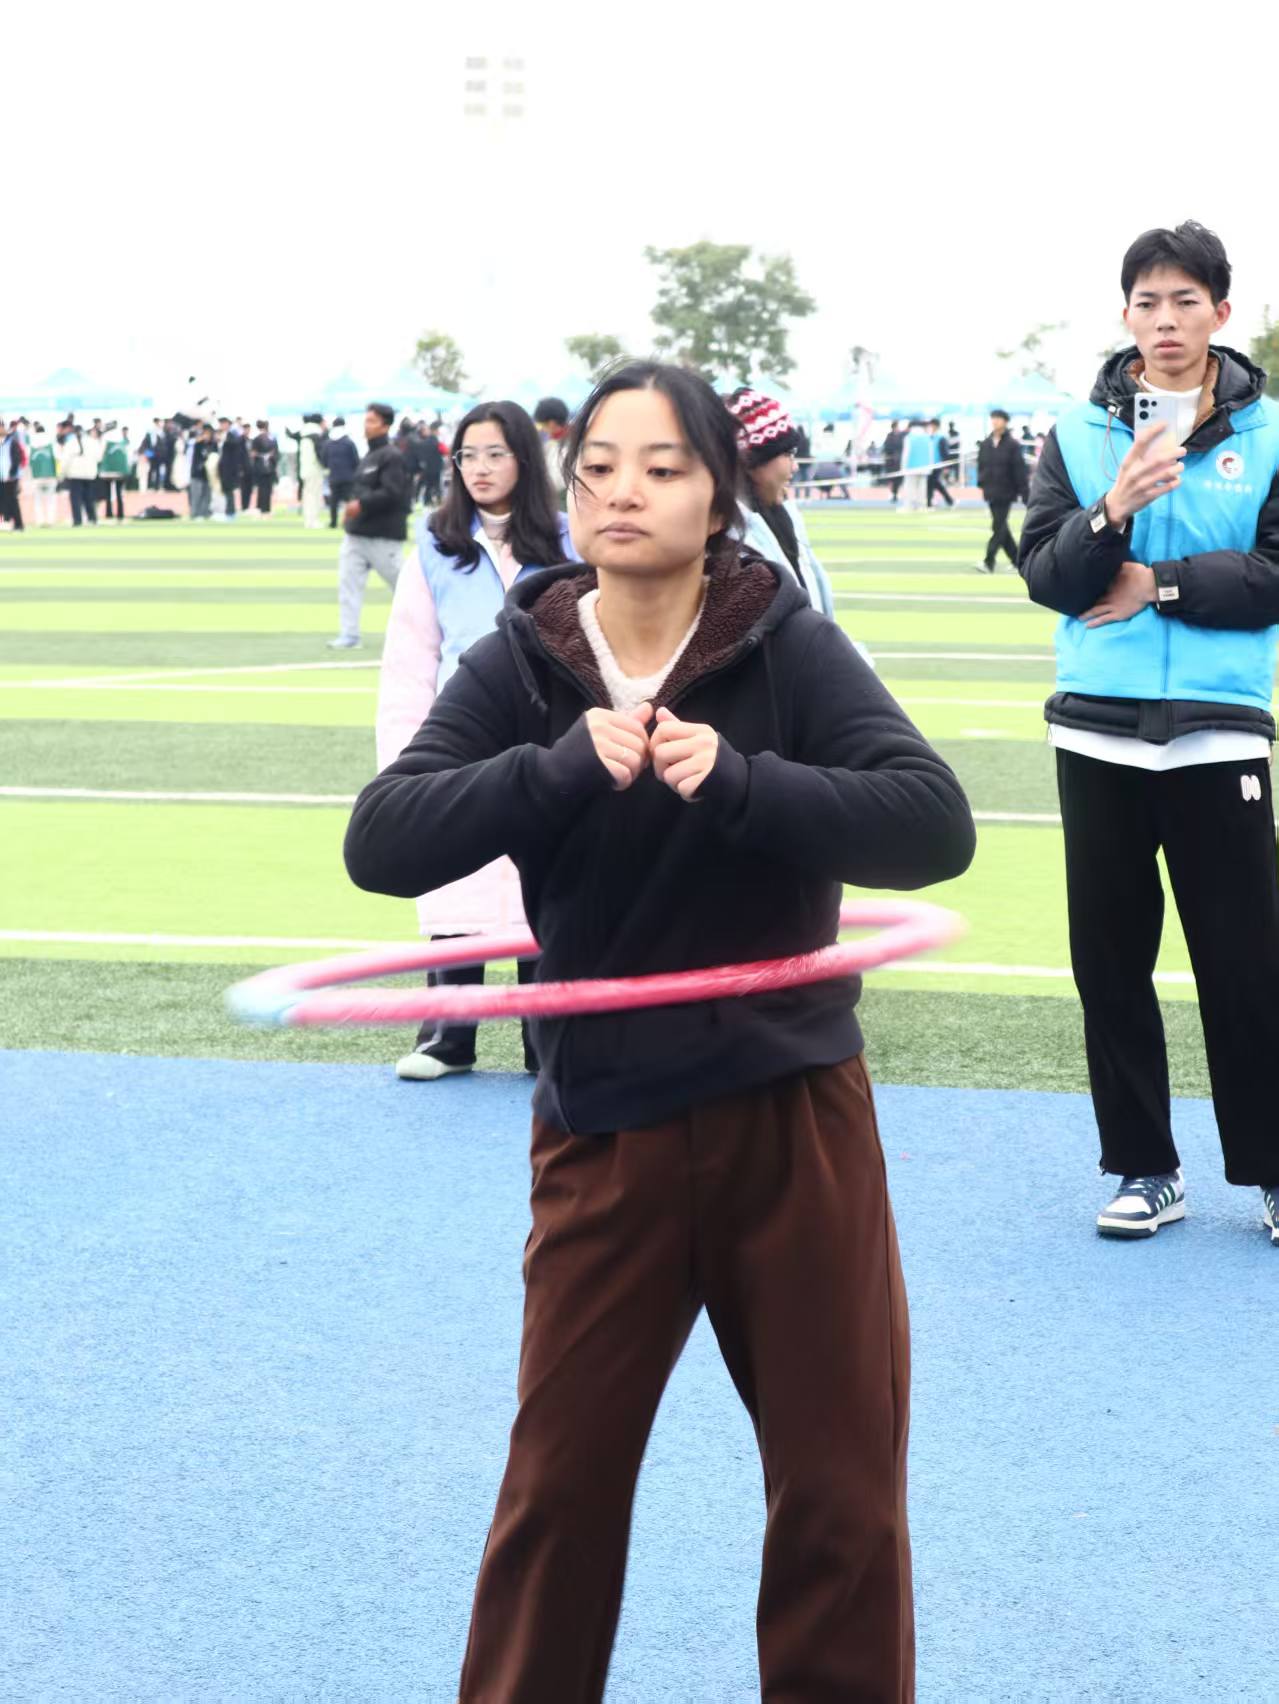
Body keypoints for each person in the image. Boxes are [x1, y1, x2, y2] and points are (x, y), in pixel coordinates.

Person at [344, 360, 976, 1699]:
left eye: (662, 466)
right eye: (599, 468)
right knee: (557, 1492)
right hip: (604, 1127)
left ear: (716, 496)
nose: (623, 490)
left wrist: (741, 783)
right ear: (571, 496)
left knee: (840, 1494)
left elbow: (930, 822)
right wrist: (556, 769)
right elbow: (382, 842)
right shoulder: (527, 655)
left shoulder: (781, 639)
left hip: (791, 1119)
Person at [1019, 219, 1279, 1244]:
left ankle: (1269, 1172)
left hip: (1219, 735)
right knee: (1111, 964)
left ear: (1220, 311)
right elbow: (1048, 575)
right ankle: (1143, 1168)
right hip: (1097, 735)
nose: (1164, 319)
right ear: (1125, 315)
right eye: (1146, 301)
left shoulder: (1268, 436)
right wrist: (1111, 508)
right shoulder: (1076, 435)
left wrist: (1158, 583)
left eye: (1184, 301)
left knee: (1245, 966)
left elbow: (1273, 576)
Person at [376, 399, 576, 1081]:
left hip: (549, 742)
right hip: (459, 739)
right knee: (456, 877)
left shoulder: (569, 542)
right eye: (467, 456)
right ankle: (446, 1036)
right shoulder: (435, 548)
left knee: (543, 887)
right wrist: (405, 757)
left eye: (495, 453)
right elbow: (409, 663)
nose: (480, 468)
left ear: (524, 459)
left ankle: (545, 1039)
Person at [724, 387, 836, 616]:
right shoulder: (731, 545)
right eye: (787, 454)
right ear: (751, 462)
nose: (795, 466)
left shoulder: (785, 515)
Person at [328, 402, 410, 649]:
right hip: (357, 534)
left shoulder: (392, 456)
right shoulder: (368, 456)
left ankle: (427, 631)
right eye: (366, 420)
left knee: (407, 589)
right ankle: (349, 635)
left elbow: (393, 493)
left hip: (383, 536)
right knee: (348, 584)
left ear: (385, 426)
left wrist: (361, 504)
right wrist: (352, 511)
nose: (367, 425)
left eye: (372, 421)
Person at [975, 408, 1029, 570]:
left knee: (998, 527)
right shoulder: (986, 444)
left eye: (998, 419)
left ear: (1005, 422)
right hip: (990, 491)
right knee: (1001, 527)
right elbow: (981, 465)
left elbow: (1019, 469)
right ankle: (1018, 561)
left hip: (1006, 491)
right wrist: (982, 483)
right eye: (993, 418)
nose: (995, 421)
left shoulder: (1012, 445)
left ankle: (989, 561)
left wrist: (1024, 492)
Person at [533, 395, 571, 508]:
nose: (542, 428)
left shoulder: (567, 445)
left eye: (542, 424)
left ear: (551, 423)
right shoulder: (552, 443)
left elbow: (556, 482)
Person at [323, 416, 360, 528]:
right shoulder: (349, 442)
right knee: (349, 500)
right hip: (348, 475)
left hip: (334, 475)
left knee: (334, 501)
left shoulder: (328, 443)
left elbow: (324, 460)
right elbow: (355, 460)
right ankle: (348, 522)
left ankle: (333, 522)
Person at [294, 414, 327, 528]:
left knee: (307, 495)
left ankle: (309, 520)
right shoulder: (316, 434)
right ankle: (313, 520)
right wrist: (326, 466)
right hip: (315, 469)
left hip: (305, 469)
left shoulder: (304, 433)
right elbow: (320, 454)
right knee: (314, 495)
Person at [27, 423, 58, 526]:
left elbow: (28, 462)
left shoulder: (31, 444)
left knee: (38, 500)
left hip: (36, 476)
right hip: (50, 475)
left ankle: (40, 520)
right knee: (51, 499)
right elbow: (57, 458)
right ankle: (50, 520)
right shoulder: (51, 443)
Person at [898, 418, 932, 511]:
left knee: (909, 487)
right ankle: (922, 506)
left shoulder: (909, 437)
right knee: (922, 488)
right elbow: (930, 453)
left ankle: (908, 506)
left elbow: (906, 454)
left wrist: (903, 467)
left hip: (911, 466)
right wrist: (930, 467)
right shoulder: (927, 437)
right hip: (925, 467)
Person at [99, 423, 130, 522]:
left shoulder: (105, 438)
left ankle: (109, 514)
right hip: (120, 471)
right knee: (119, 493)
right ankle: (120, 514)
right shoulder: (122, 439)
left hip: (107, 471)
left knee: (108, 493)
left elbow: (100, 454)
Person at [0, 418, 26, 530]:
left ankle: (18, 524)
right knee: (2, 501)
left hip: (11, 477)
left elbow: (17, 458)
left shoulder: (12, 441)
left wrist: (12, 473)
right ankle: (5, 522)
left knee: (12, 500)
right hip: (1, 476)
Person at [188, 423, 216, 520]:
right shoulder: (198, 444)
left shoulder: (213, 445)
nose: (207, 435)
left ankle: (205, 513)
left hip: (208, 474)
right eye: (205, 433)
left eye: (209, 433)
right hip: (197, 473)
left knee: (207, 495)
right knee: (196, 494)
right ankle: (195, 514)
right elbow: (195, 459)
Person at [250, 421, 279, 514]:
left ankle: (266, 508)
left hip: (268, 467)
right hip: (261, 467)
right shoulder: (257, 439)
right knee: (263, 488)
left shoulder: (271, 439)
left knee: (267, 488)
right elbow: (253, 453)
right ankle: (262, 508)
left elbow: (275, 453)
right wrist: (263, 455)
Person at [415, 418, 445, 506]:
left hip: (427, 467)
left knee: (429, 484)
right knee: (437, 485)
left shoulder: (424, 442)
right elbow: (443, 451)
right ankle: (438, 500)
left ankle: (427, 500)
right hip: (437, 466)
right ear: (435, 431)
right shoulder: (437, 441)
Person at [925, 418, 954, 507]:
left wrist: (946, 466)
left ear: (936, 426)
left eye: (932, 425)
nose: (930, 427)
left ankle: (929, 503)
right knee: (935, 483)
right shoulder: (929, 437)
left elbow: (945, 453)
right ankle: (949, 500)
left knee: (931, 483)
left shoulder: (941, 438)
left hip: (937, 464)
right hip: (929, 464)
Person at [880, 417, 906, 501]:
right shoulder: (889, 436)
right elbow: (886, 448)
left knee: (898, 479)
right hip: (891, 462)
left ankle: (895, 494)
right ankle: (893, 493)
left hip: (899, 462)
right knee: (892, 478)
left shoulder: (902, 436)